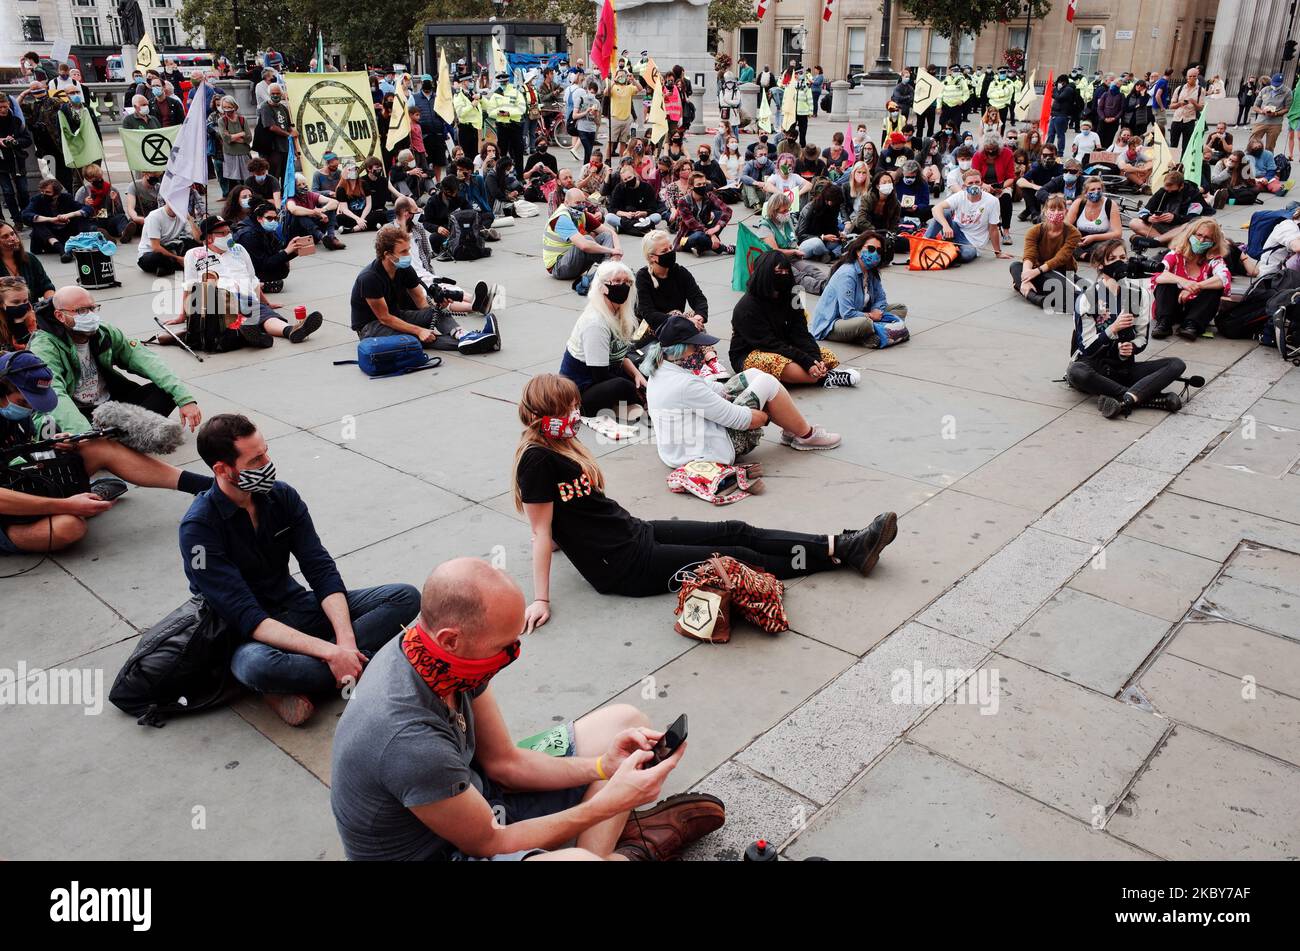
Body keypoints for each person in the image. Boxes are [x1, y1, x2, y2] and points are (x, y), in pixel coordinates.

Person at [330, 555, 725, 862]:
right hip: (443, 849)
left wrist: (604, 767)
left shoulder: (446, 657)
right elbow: (488, 839)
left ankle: (601, 851)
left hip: (478, 796)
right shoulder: (406, 738)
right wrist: (610, 802)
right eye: (504, 646)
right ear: (451, 639)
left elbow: (506, 765)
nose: (514, 654)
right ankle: (626, 850)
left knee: (626, 722)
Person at [514, 373, 895, 612]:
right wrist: (541, 599)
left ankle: (838, 543)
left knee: (736, 529)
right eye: (570, 410)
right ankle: (844, 553)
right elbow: (540, 531)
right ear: (545, 415)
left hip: (633, 533)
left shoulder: (557, 448)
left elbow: (562, 515)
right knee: (737, 557)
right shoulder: (537, 461)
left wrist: (568, 538)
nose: (576, 417)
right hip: (625, 567)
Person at [180, 413, 420, 726]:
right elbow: (247, 618)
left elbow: (319, 569)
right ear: (223, 470)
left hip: (298, 607)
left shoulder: (281, 496)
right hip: (250, 637)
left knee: (405, 597)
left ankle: (318, 674)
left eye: (266, 451)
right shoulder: (198, 529)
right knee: (255, 667)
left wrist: (344, 643)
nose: (267, 462)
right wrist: (332, 654)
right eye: (255, 459)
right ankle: (354, 666)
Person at [0, 351, 214, 556]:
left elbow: (17, 452)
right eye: (22, 402)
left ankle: (208, 487)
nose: (28, 408)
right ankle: (80, 499)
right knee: (70, 527)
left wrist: (49, 447)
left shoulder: (14, 411)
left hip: (14, 480)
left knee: (96, 446)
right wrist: (66, 505)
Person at [644, 314, 840, 471]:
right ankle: (806, 435)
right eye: (695, 346)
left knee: (754, 374)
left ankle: (792, 428)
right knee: (767, 382)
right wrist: (765, 417)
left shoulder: (661, 369)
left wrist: (737, 392)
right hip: (707, 452)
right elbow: (739, 419)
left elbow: (712, 388)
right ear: (680, 350)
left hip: (678, 449)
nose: (701, 350)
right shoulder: (684, 385)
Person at [28, 285, 201, 433]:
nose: (90, 315)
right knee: (51, 424)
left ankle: (115, 437)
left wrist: (185, 399)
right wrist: (84, 434)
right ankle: (109, 438)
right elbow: (54, 393)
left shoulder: (104, 332)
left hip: (112, 406)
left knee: (165, 392)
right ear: (60, 316)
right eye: (81, 311)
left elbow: (147, 360)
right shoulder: (45, 346)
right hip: (79, 412)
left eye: (92, 308)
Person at [1069, 238, 1188, 418]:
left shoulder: (1138, 294)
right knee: (1076, 371)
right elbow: (1086, 348)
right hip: (1095, 368)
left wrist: (1131, 347)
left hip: (1123, 368)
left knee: (1176, 364)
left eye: (1122, 257)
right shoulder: (1088, 298)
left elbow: (1142, 338)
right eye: (1112, 258)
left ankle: (1123, 399)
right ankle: (1146, 398)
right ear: (1100, 265)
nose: (1119, 263)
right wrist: (1112, 330)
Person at [184, 215, 321, 347]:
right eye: (222, 233)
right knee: (232, 316)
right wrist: (183, 315)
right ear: (209, 238)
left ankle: (290, 330)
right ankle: (251, 334)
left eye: (229, 231)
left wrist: (266, 303)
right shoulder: (194, 255)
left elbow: (253, 279)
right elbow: (189, 287)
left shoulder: (239, 249)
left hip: (246, 298)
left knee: (265, 314)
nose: (228, 235)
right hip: (220, 303)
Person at [730, 250, 859, 388]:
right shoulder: (747, 307)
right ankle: (823, 378)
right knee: (776, 362)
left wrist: (813, 358)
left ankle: (817, 374)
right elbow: (769, 344)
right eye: (778, 273)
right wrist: (806, 361)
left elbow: (801, 332)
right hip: (751, 353)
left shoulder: (793, 296)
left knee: (825, 355)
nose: (784, 276)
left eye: (786, 272)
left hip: (785, 344)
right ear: (765, 274)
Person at [350, 226, 489, 351]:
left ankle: (463, 335)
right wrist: (418, 331)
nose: (408, 256)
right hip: (371, 327)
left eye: (408, 250)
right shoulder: (369, 278)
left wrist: (437, 306)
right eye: (403, 252)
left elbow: (421, 303)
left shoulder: (404, 268)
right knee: (415, 338)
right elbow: (384, 318)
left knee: (435, 312)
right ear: (387, 254)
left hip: (396, 315)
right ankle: (472, 344)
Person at [558, 261, 645, 418]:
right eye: (617, 281)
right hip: (580, 392)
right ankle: (615, 404)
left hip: (605, 374)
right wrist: (633, 386)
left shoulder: (618, 312)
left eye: (627, 282)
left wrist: (637, 374)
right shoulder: (595, 323)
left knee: (645, 366)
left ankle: (619, 404)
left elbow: (619, 355)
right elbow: (600, 375)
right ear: (602, 286)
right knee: (624, 385)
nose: (623, 286)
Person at [811, 232, 908, 348]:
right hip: (833, 323)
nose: (875, 253)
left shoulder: (871, 271)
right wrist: (871, 316)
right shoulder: (847, 274)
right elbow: (847, 313)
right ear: (858, 251)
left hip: (862, 314)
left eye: (879, 251)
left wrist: (876, 310)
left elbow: (881, 298)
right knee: (865, 323)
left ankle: (871, 333)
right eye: (871, 249)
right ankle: (873, 332)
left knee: (900, 308)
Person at [1151, 217, 1230, 341]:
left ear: (1213, 242)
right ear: (1190, 234)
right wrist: (1184, 282)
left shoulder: (1214, 259)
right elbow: (1159, 274)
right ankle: (1164, 323)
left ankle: (1191, 325)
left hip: (1196, 309)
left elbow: (1223, 278)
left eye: (1207, 238)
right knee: (1166, 282)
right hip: (1172, 305)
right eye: (1199, 235)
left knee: (1214, 289)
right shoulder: (1176, 254)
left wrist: (1196, 287)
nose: (1201, 240)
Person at [925, 168, 1011, 265]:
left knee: (967, 255)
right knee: (944, 212)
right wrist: (945, 225)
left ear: (981, 183)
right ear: (964, 186)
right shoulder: (960, 196)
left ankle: (946, 251)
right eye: (970, 183)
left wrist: (998, 252)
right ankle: (924, 245)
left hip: (973, 243)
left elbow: (993, 229)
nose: (974, 185)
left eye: (977, 182)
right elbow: (935, 209)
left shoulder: (992, 201)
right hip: (956, 231)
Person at [1011, 195, 1080, 309]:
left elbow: (1061, 258)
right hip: (1037, 270)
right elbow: (1029, 255)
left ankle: (1027, 291)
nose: (1056, 212)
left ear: (1066, 211)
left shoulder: (1073, 233)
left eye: (1060, 209)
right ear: (1045, 211)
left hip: (1061, 271)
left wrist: (1036, 272)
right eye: (1052, 209)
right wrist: (1026, 275)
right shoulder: (1034, 231)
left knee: (1075, 290)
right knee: (1015, 266)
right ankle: (1034, 296)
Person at [233, 203, 313, 293]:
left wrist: (293, 251)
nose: (273, 221)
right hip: (246, 271)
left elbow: (274, 254)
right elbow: (264, 264)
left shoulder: (266, 230)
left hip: (257, 266)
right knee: (278, 274)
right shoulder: (248, 235)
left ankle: (257, 284)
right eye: (269, 218)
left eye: (276, 218)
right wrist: (286, 252)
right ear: (259, 218)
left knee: (282, 266)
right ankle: (257, 285)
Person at [544, 189, 621, 281]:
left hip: (574, 261)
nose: (581, 206)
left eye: (583, 202)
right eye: (577, 203)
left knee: (606, 235)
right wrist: (612, 251)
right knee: (587, 239)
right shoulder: (561, 218)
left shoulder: (581, 214)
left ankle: (609, 267)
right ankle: (609, 268)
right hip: (559, 267)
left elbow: (611, 232)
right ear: (566, 202)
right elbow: (584, 246)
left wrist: (618, 249)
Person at [1128, 169, 1210, 249]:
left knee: (1193, 225)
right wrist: (1149, 218)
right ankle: (1168, 243)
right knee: (1134, 223)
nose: (1169, 192)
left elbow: (1194, 218)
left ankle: (1158, 241)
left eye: (1172, 191)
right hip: (1160, 226)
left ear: (1181, 186)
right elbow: (1144, 211)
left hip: (1180, 227)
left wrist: (1175, 218)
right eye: (1167, 190)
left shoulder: (1193, 194)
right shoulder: (1163, 192)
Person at [21, 179, 89, 262]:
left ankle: (68, 247)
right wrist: (51, 220)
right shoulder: (37, 199)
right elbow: (25, 214)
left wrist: (69, 215)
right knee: (38, 222)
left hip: (64, 235)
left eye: (47, 192)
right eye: (42, 192)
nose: (44, 194)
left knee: (80, 218)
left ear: (57, 194)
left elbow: (87, 209)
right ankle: (60, 248)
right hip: (45, 240)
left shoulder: (66, 198)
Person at [675, 171, 734, 257]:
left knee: (719, 214)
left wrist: (717, 227)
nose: (702, 186)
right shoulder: (683, 201)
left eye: (704, 184)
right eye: (699, 184)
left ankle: (701, 246)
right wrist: (712, 234)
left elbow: (727, 210)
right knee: (698, 236)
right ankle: (724, 248)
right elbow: (693, 224)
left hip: (706, 229)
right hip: (688, 236)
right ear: (691, 186)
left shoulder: (709, 196)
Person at [1067, 176, 1124, 260]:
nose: (1096, 192)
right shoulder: (1079, 203)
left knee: (1112, 245)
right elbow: (1066, 226)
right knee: (1062, 240)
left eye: (1099, 189)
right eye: (1092, 190)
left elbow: (1118, 233)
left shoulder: (1110, 204)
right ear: (1085, 193)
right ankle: (1085, 256)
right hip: (1080, 239)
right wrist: (1076, 237)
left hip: (1101, 239)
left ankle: (1083, 255)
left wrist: (1094, 237)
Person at [136, 200, 198, 276]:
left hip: (171, 248)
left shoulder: (183, 214)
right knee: (158, 257)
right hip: (150, 253)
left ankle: (168, 268)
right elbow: (156, 247)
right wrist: (178, 259)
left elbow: (199, 239)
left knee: (195, 245)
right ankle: (180, 265)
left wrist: (190, 220)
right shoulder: (154, 216)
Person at [284, 174, 345, 250]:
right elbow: (293, 209)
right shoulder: (290, 198)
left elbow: (334, 202)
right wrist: (315, 213)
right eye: (299, 185)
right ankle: (323, 238)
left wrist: (323, 210)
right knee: (300, 214)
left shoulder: (310, 195)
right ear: (293, 187)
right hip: (299, 235)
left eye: (304, 184)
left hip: (313, 235)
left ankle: (331, 237)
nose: (303, 186)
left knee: (330, 209)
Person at [605, 163, 668, 234]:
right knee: (609, 217)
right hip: (626, 218)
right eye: (625, 179)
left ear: (635, 175)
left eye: (629, 177)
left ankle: (624, 228)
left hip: (643, 218)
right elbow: (612, 208)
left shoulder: (646, 187)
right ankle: (643, 227)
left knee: (657, 217)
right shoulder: (619, 188)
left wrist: (644, 213)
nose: (628, 180)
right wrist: (626, 214)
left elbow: (653, 207)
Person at [972, 133, 1015, 232]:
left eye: (993, 149)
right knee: (982, 199)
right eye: (988, 149)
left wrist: (1001, 186)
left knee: (1006, 198)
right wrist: (984, 186)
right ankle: (984, 227)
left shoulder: (1007, 153)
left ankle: (1006, 231)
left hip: (1002, 184)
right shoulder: (978, 155)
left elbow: (1011, 177)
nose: (991, 151)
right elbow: (974, 177)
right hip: (982, 184)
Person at [0, 221, 53, 301]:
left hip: (32, 309)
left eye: (12, 233)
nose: (12, 238)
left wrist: (50, 302)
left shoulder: (29, 258)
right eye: (5, 236)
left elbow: (46, 286)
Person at [0, 96, 32, 228]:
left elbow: (27, 140)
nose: (3, 110)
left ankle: (25, 216)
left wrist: (15, 142)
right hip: (1, 162)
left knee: (23, 190)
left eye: (5, 106)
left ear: (9, 104)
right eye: (0, 107)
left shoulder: (16, 120)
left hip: (17, 160)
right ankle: (17, 220)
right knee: (7, 192)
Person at [257, 83, 297, 180]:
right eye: (273, 93)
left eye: (278, 93)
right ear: (269, 94)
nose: (275, 95)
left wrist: (293, 132)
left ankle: (285, 194)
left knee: (286, 174)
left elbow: (289, 126)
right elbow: (271, 127)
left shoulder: (284, 108)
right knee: (274, 174)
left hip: (285, 147)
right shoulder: (265, 107)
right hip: (273, 148)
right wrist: (289, 135)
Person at [795, 184, 845, 261]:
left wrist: (838, 235)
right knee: (817, 243)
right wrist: (822, 237)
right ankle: (832, 254)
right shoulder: (809, 209)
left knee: (847, 241)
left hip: (825, 242)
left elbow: (833, 227)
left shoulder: (834, 207)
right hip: (808, 242)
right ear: (826, 199)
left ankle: (827, 255)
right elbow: (801, 235)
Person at [1016, 143, 1061, 223]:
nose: (1048, 158)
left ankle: (1029, 210)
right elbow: (1020, 181)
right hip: (1038, 193)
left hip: (1051, 196)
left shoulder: (1059, 168)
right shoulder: (1037, 167)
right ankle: (1034, 213)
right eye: (1045, 155)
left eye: (1051, 155)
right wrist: (1036, 187)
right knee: (1026, 187)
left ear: (1056, 156)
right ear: (1041, 156)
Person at [848, 171, 902, 235]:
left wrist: (890, 234)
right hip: (862, 231)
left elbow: (895, 223)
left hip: (884, 232)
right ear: (877, 186)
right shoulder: (867, 198)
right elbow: (860, 220)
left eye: (890, 182)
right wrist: (874, 231)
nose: (887, 184)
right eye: (884, 182)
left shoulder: (895, 203)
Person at [1251, 73, 1290, 153]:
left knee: (1270, 147)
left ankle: (1267, 164)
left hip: (1275, 124)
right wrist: (1261, 111)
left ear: (1282, 83)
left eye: (1277, 85)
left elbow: (1287, 108)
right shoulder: (1265, 90)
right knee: (1252, 143)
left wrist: (1276, 113)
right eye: (1274, 84)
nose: (1275, 86)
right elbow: (1255, 106)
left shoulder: (1287, 92)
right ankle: (1249, 161)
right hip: (1261, 121)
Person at [1168, 68, 1204, 154]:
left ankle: (1182, 165)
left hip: (1189, 120)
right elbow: (1171, 106)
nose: (1191, 78)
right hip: (1177, 119)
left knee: (1186, 145)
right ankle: (1172, 163)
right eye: (1190, 76)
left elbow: (1201, 108)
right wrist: (1179, 104)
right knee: (1173, 144)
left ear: (1197, 77)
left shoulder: (1200, 90)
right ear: (1186, 77)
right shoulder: (1179, 88)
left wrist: (1194, 103)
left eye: (1194, 76)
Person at [0, 276, 37, 348]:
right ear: (1, 303)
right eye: (16, 302)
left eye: (25, 300)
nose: (22, 305)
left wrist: (19, 323)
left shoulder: (31, 316)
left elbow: (32, 346)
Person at [739, 144, 778, 210]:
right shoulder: (750, 164)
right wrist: (756, 183)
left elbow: (777, 175)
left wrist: (768, 184)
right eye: (761, 155)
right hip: (749, 197)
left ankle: (758, 206)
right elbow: (743, 176)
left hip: (764, 194)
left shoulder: (770, 164)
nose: (763, 157)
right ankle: (756, 204)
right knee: (747, 183)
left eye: (765, 155)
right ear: (755, 156)